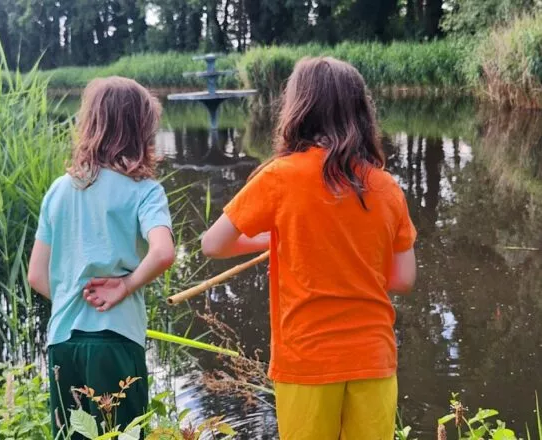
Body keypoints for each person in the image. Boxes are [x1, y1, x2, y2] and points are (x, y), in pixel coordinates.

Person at [201, 57, 417, 440]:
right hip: (373, 357)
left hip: (307, 359)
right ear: (361, 112)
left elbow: (213, 244)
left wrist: (279, 236)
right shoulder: (387, 187)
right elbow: (403, 279)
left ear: (298, 108)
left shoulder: (280, 176)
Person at [28, 76, 175, 438]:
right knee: (122, 434)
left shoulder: (59, 190)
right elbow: (163, 252)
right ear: (141, 131)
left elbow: (36, 276)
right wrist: (123, 286)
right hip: (116, 341)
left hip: (64, 342)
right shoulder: (145, 191)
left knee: (75, 435)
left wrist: (75, 297)